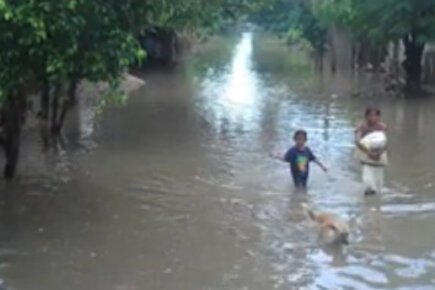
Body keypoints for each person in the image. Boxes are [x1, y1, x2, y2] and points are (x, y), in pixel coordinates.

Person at [355, 107, 388, 195]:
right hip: (366, 154)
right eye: (370, 115)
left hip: (379, 155)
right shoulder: (362, 127)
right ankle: (368, 201)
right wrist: (370, 154)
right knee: (368, 182)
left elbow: (384, 142)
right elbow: (357, 141)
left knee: (378, 182)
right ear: (366, 117)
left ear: (378, 117)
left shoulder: (382, 127)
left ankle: (376, 205)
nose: (373, 118)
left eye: (375, 116)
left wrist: (378, 154)